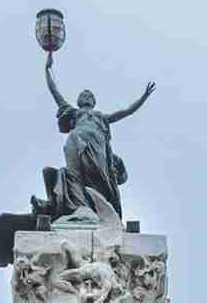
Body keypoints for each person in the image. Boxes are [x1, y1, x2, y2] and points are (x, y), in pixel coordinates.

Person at [45, 50, 155, 218]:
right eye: (83, 95)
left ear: (94, 102)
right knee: (74, 174)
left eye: (89, 95)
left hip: (97, 145)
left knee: (101, 177)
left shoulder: (100, 117)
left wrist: (144, 97)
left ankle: (101, 208)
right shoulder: (74, 113)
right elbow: (55, 92)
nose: (86, 96)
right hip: (75, 141)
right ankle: (81, 209)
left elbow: (126, 112)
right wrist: (47, 69)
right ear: (79, 101)